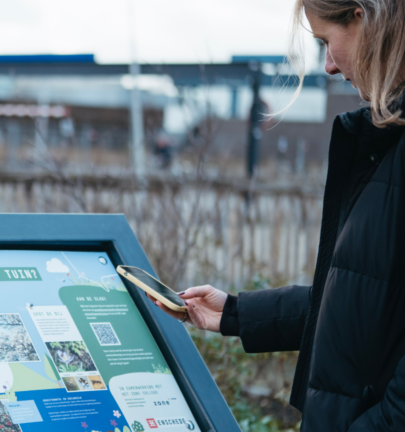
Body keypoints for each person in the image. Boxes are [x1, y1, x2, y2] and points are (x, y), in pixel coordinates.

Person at [153, 1, 405, 430]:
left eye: (326, 41)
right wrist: (233, 313)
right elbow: (361, 305)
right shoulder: (386, 145)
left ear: (365, 18)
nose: (328, 66)